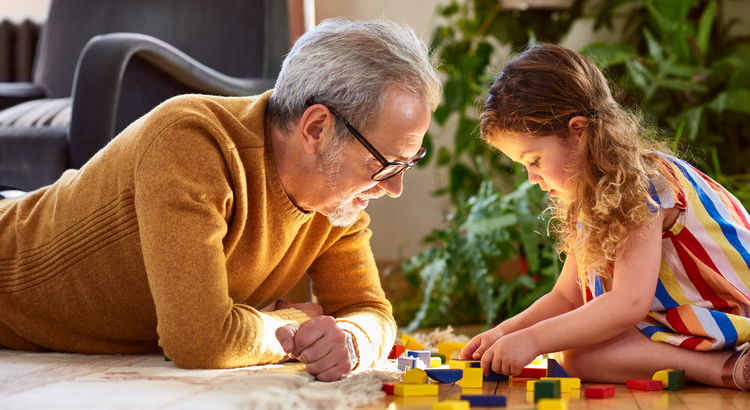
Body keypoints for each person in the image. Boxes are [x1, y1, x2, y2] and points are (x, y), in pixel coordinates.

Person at [0, 17, 441, 382]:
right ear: (316, 129)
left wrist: (350, 338)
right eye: (386, 163)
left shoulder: (336, 201)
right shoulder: (191, 143)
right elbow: (199, 340)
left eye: (408, 163)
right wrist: (294, 325)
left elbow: (370, 311)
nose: (393, 186)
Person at [461, 44, 750, 390]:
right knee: (578, 356)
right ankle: (722, 365)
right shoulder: (589, 196)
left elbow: (628, 303)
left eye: (534, 160)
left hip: (731, 312)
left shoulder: (642, 183)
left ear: (578, 132)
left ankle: (726, 367)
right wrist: (505, 332)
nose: (532, 178)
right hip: (687, 321)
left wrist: (534, 341)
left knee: (577, 350)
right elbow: (566, 297)